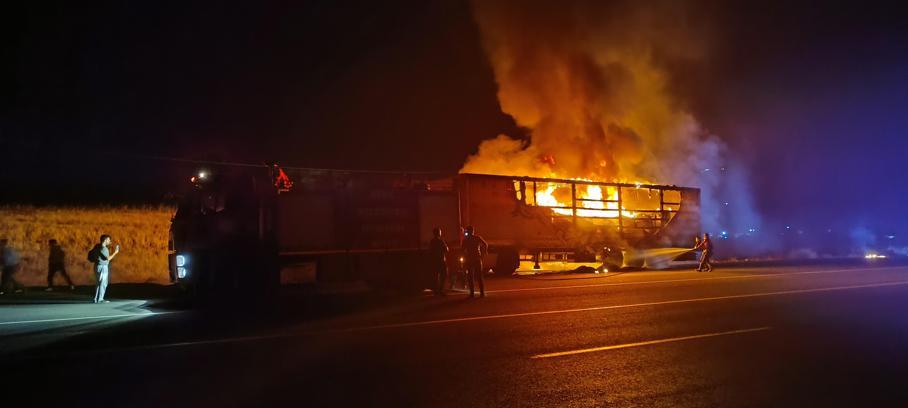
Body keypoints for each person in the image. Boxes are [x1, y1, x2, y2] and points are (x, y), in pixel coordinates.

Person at [91, 235, 120, 303]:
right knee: (103, 283)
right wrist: (115, 253)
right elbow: (107, 259)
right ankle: (100, 299)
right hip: (102, 267)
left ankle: (96, 298)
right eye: (109, 240)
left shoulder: (97, 246)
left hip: (97, 266)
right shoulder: (104, 249)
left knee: (98, 283)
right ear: (105, 240)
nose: (110, 241)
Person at [461, 226, 488, 298]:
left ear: (467, 231)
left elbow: (462, 250)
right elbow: (485, 244)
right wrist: (483, 253)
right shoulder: (477, 238)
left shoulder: (466, 240)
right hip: (477, 259)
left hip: (469, 259)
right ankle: (482, 293)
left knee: (470, 276)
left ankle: (472, 293)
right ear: (473, 231)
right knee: (479, 276)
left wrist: (464, 257)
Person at [429, 227, 449, 295]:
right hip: (441, 260)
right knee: (443, 274)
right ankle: (440, 290)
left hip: (434, 260)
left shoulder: (431, 241)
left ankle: (436, 290)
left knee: (435, 275)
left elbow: (430, 251)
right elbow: (446, 249)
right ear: (439, 233)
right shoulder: (441, 241)